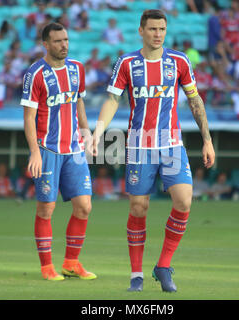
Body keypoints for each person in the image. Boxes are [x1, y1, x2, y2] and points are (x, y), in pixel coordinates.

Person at [90, 10, 215, 292]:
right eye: (152, 29)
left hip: (171, 145)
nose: (158, 33)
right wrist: (98, 131)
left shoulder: (179, 61)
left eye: (162, 29)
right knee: (138, 207)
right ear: (141, 31)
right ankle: (136, 275)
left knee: (184, 201)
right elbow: (112, 99)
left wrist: (207, 140)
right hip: (139, 146)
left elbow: (195, 101)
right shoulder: (127, 63)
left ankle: (163, 265)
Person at [21, 23, 96, 281]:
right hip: (47, 148)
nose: (64, 45)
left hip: (74, 148)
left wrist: (87, 136)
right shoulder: (35, 73)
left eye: (65, 40)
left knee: (84, 206)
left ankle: (71, 263)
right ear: (46, 44)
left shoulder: (77, 68)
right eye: (57, 41)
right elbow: (29, 117)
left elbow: (79, 103)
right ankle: (46, 267)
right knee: (46, 208)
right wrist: (34, 152)